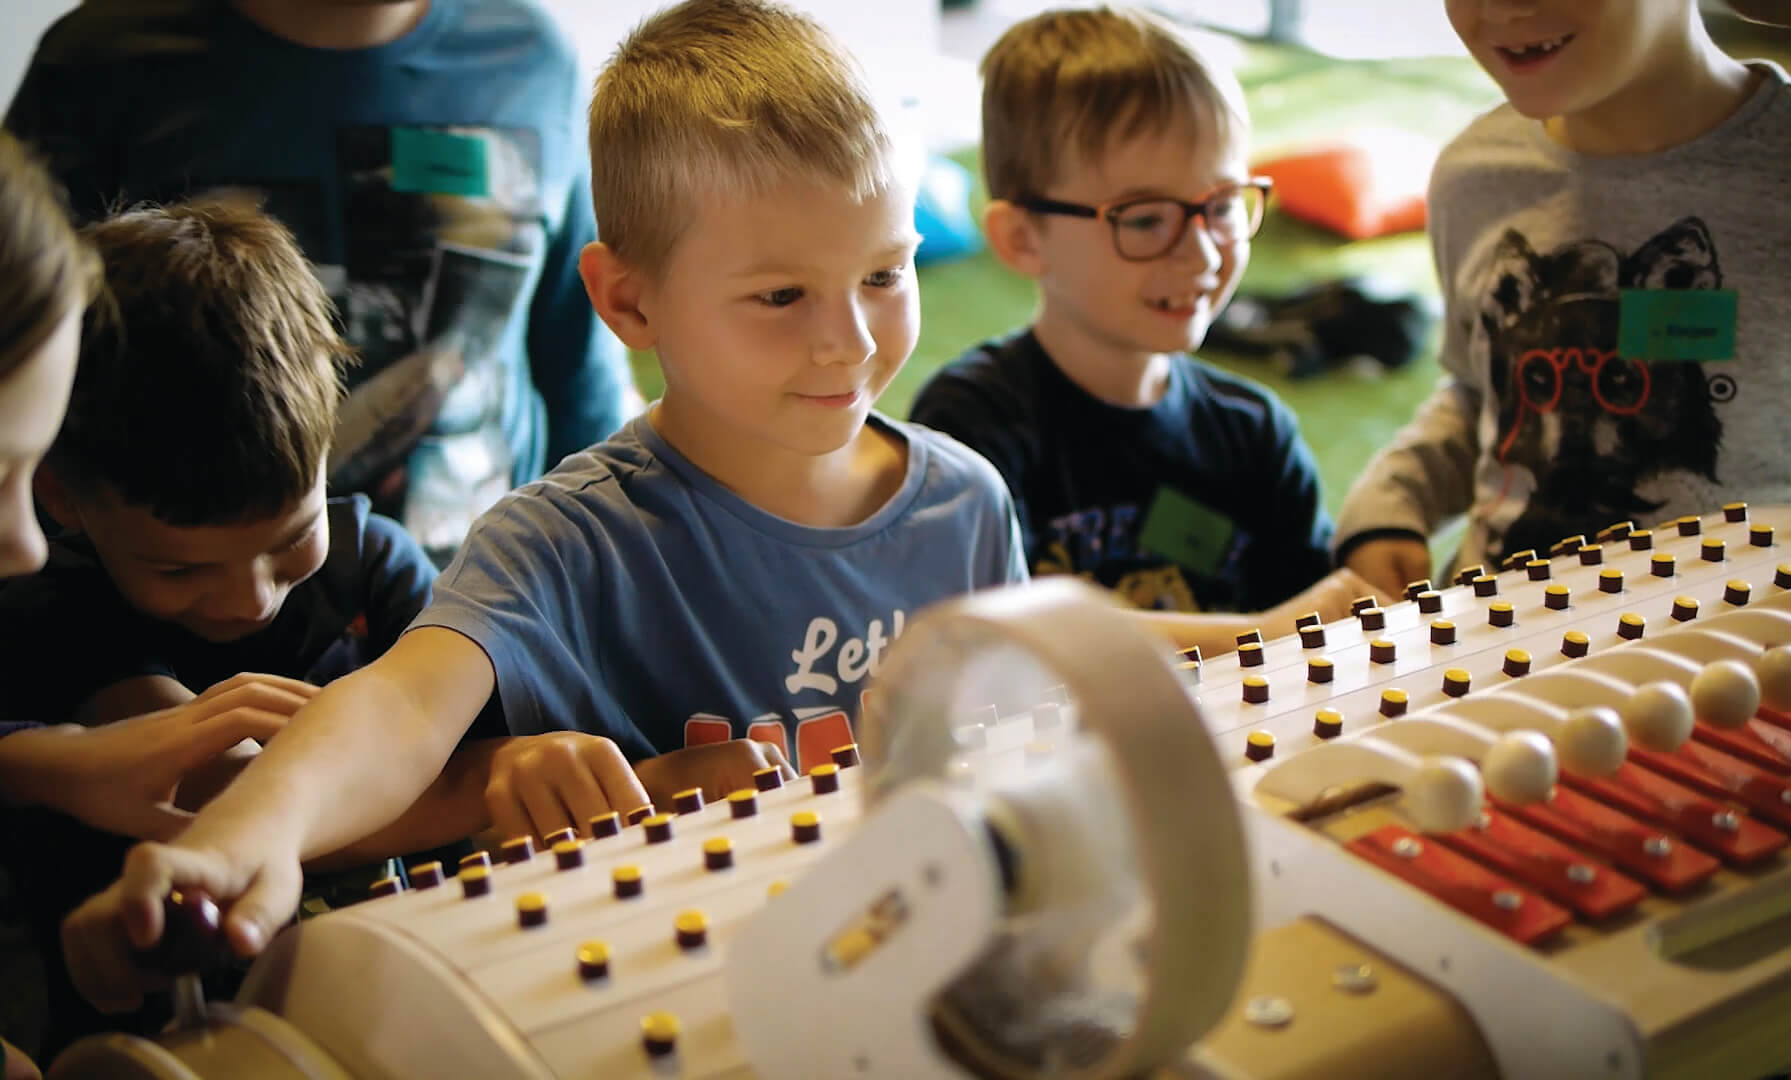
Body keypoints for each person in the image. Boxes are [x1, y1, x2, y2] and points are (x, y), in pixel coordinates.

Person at [59, 0, 1028, 1015]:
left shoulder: (967, 505)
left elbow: (1012, 748)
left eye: (884, 273)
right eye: (782, 296)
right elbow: (397, 710)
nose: (851, 341)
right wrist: (241, 840)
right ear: (628, 302)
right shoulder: (561, 543)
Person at [0, 195, 458, 1054]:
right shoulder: (60, 602)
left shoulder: (379, 567)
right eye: (180, 570)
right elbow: (225, 792)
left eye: (289, 539)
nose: (249, 599)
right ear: (64, 498)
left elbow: (478, 722)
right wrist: (495, 781)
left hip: (400, 1025)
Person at [7, 0, 640, 564]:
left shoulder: (535, 60)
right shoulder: (101, 63)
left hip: (488, 605)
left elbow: (577, 370)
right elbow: (28, 361)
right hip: (180, 608)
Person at [1335, 0, 1791, 595]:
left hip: (1743, 643)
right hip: (1486, 630)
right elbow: (1480, 392)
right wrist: (1394, 501)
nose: (1503, 8)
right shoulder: (1473, 175)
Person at [911, 6, 1372, 655]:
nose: (1202, 254)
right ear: (1021, 239)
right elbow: (997, 633)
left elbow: (1314, 631)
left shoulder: (1254, 433)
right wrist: (1261, 635)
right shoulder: (972, 426)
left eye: (1221, 206)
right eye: (1146, 219)